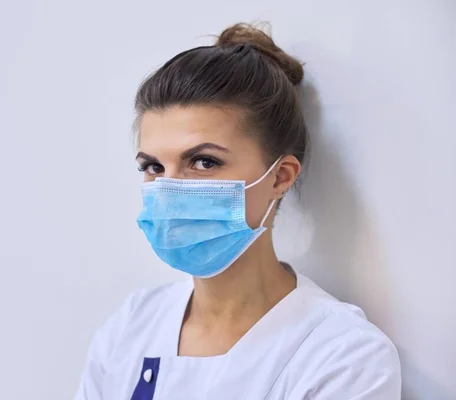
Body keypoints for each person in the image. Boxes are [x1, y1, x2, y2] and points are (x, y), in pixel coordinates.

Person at [74, 23, 401, 399]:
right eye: (153, 167)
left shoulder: (342, 357)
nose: (169, 189)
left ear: (280, 176)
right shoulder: (132, 326)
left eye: (204, 162)